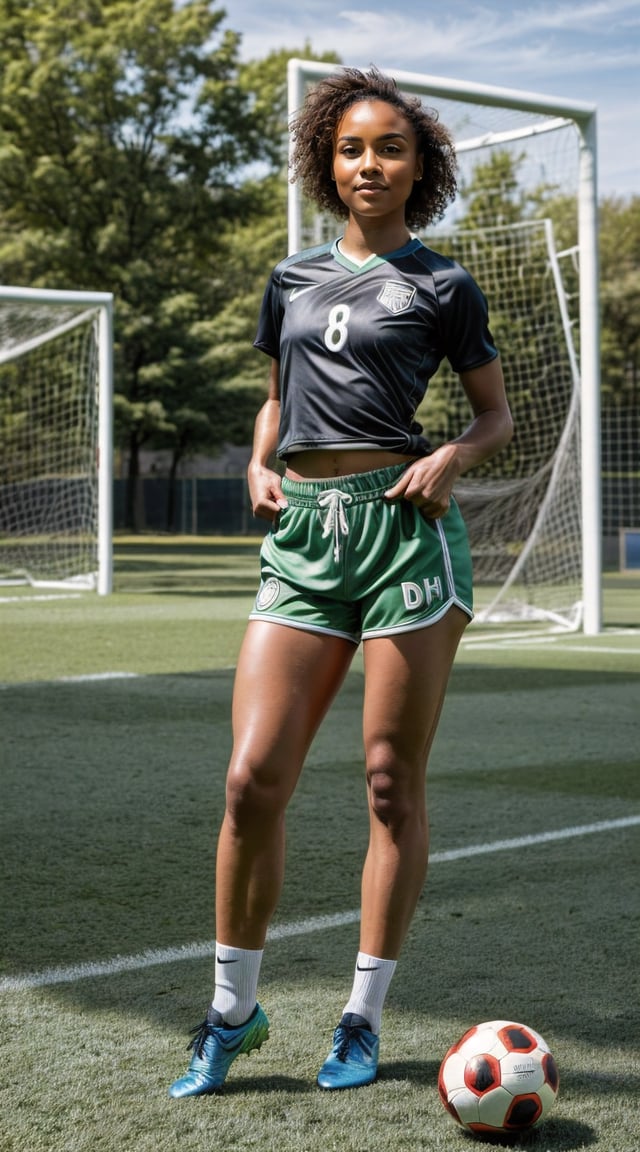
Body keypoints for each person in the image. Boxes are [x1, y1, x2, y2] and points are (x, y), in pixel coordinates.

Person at [168, 65, 512, 1098]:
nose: (370, 163)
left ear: (419, 169)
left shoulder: (443, 285)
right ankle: (232, 1011)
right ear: (329, 161)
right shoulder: (290, 277)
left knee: (384, 782)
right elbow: (278, 400)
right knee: (249, 778)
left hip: (405, 538)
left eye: (391, 149)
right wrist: (256, 462)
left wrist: (450, 457)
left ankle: (360, 1020)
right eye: (353, 147)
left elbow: (493, 415)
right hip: (305, 544)